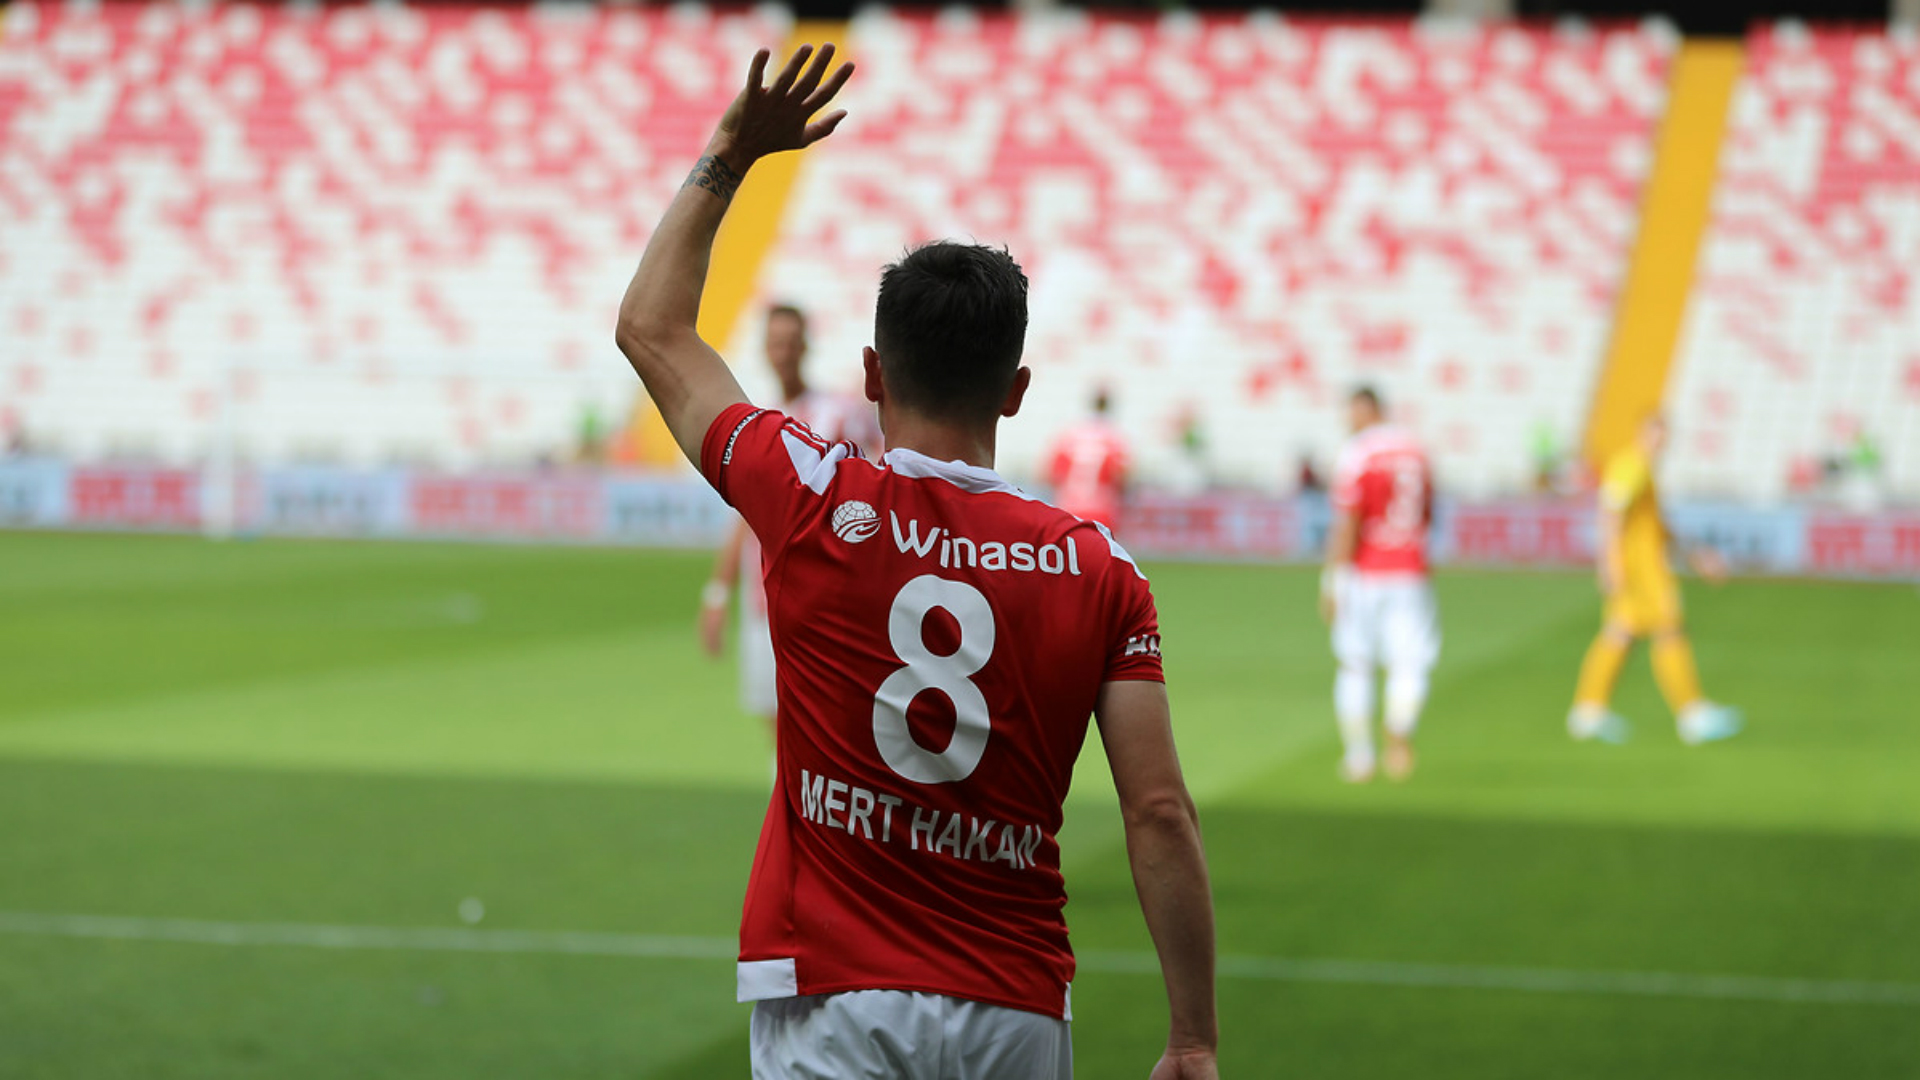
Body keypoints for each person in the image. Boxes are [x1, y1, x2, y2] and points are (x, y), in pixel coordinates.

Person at [612, 45, 1218, 1080]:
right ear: (1016, 389)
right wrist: (1193, 1036)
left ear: (870, 374)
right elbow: (1157, 809)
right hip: (1013, 1002)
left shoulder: (808, 494)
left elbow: (651, 329)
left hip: (831, 994)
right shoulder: (1100, 569)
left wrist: (730, 153)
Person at [699, 304, 879, 733]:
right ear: (765, 349)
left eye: (790, 342)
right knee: (774, 722)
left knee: (822, 722)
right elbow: (745, 513)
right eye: (775, 343)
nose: (782, 352)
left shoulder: (838, 413)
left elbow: (880, 471)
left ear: (805, 346)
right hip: (763, 596)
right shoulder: (759, 423)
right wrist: (718, 591)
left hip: (822, 593)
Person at [1568, 415, 1742, 745]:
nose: (1658, 443)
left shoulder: (1644, 469)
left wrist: (1696, 556)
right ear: (1640, 434)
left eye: (1663, 438)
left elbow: (1658, 527)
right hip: (1641, 572)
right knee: (1668, 629)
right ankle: (1692, 714)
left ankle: (1588, 710)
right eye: (1654, 436)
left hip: (1642, 568)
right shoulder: (1631, 466)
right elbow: (1610, 513)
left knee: (1621, 633)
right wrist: (1610, 563)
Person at [1320, 386, 1439, 783]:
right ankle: (1399, 734)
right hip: (1410, 569)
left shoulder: (1358, 453)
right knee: (1410, 662)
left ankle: (1359, 756)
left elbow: (1347, 521)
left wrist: (1332, 580)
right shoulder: (1416, 450)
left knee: (1355, 663)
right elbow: (1428, 512)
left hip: (1366, 570)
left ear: (1366, 410)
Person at [1042, 389, 1131, 527]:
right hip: (1102, 509)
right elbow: (1122, 477)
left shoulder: (1071, 434)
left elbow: (1050, 474)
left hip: (1069, 508)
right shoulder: (1113, 437)